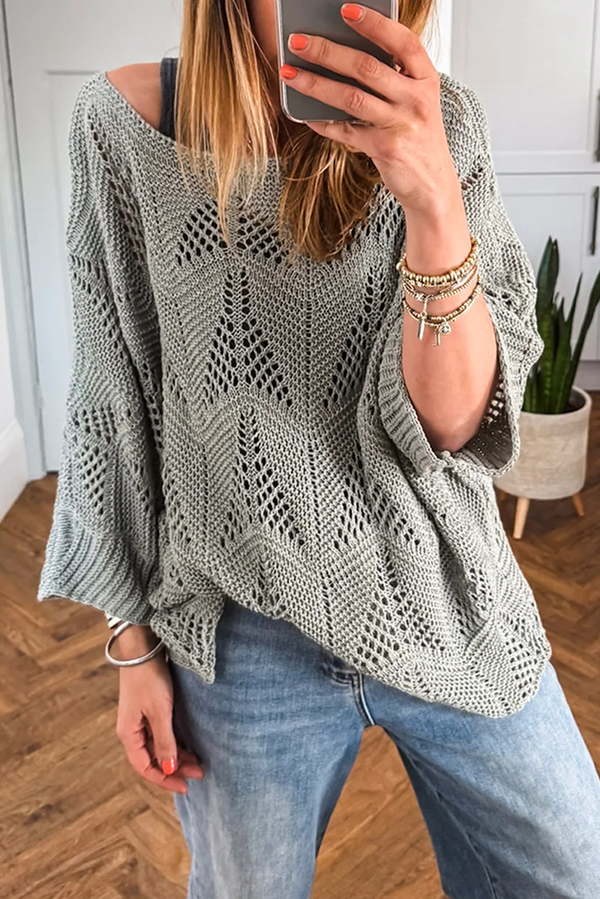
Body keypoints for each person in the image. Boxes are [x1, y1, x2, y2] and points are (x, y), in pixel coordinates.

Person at [37, 1, 600, 897]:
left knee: (575, 871)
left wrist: (433, 202)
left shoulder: (444, 124)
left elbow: (452, 427)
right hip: (242, 633)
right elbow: (113, 397)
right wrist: (132, 645)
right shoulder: (121, 128)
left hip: (443, 589)